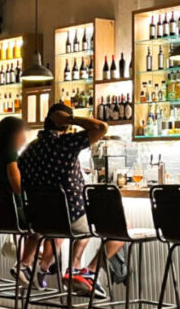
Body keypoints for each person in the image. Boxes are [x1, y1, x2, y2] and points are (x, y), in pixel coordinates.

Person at [19, 104, 121, 298]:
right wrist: (71, 119)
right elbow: (101, 127)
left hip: (41, 222)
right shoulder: (66, 144)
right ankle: (86, 271)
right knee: (118, 227)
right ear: (64, 125)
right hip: (69, 218)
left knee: (83, 222)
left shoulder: (28, 151)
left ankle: (75, 268)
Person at [0, 117, 39, 285]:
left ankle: (31, 261)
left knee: (36, 228)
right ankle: (25, 265)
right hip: (13, 214)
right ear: (14, 135)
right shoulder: (11, 156)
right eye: (22, 133)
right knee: (43, 223)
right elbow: (18, 187)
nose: (24, 138)